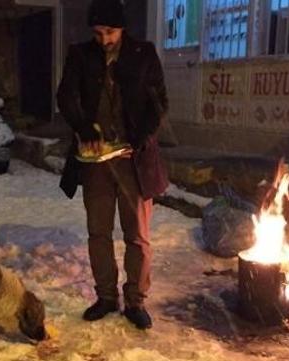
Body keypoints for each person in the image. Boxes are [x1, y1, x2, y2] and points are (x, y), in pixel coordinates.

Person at [56, 0, 169, 330]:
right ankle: (106, 296)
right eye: (99, 32)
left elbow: (159, 103)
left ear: (122, 28)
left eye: (110, 31)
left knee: (137, 236)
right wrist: (83, 126)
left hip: (134, 161)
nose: (104, 39)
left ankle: (135, 300)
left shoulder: (143, 53)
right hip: (95, 162)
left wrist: (141, 138)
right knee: (98, 233)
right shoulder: (80, 54)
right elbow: (66, 97)